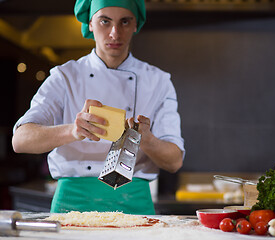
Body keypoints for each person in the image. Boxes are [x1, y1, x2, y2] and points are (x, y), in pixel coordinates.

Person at [12, 0, 184, 215]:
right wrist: (73, 130)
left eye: (124, 22)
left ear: (135, 25)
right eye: (105, 21)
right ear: (90, 23)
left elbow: (174, 161)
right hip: (72, 203)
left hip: (134, 203)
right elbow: (20, 140)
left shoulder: (158, 81)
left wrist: (146, 139)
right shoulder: (64, 77)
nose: (114, 33)